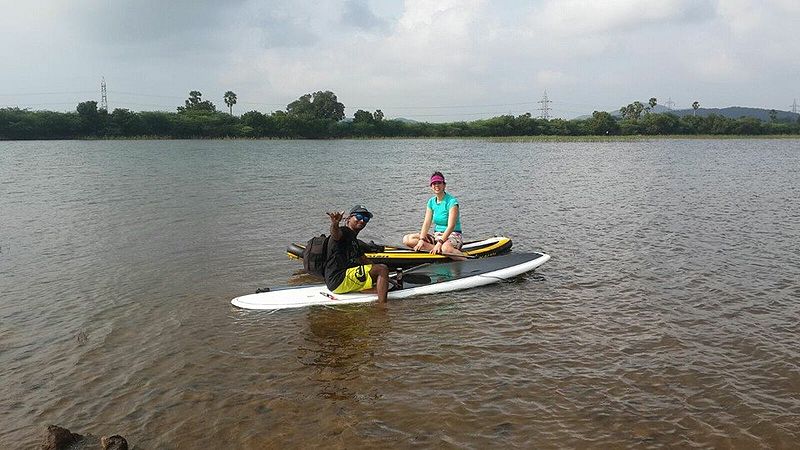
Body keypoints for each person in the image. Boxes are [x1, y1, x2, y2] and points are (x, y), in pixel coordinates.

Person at [324, 205, 390, 302]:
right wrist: (335, 223)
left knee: (379, 271)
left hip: (339, 279)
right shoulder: (344, 232)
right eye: (359, 217)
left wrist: (386, 278)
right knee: (382, 269)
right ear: (349, 218)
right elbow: (335, 235)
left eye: (366, 218)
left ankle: (368, 290)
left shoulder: (354, 240)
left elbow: (364, 260)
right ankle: (382, 307)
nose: (362, 220)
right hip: (339, 279)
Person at [402, 171, 466, 259]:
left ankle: (463, 259)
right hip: (437, 235)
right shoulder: (431, 202)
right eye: (434, 183)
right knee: (407, 239)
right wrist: (421, 240)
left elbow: (451, 226)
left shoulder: (452, 202)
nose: (436, 185)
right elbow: (427, 223)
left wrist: (440, 242)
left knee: (446, 248)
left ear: (444, 185)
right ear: (431, 187)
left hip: (453, 235)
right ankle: (437, 250)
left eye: (439, 183)